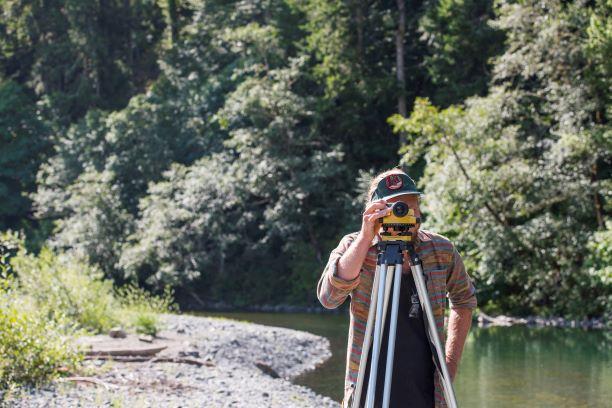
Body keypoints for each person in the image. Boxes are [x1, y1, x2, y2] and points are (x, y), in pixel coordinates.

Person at [316, 168, 477, 408]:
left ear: (420, 210)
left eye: (409, 207)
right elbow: (329, 297)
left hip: (428, 391)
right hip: (367, 388)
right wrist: (364, 237)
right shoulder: (355, 246)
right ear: (374, 212)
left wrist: (449, 364)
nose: (402, 216)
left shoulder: (440, 250)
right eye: (393, 209)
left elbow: (464, 301)